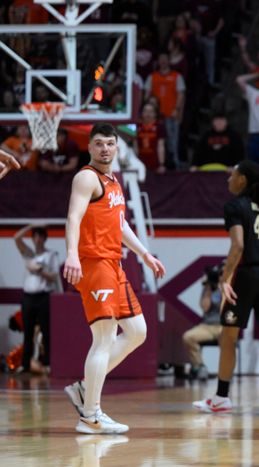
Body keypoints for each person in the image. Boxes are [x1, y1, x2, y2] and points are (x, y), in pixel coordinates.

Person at [62, 123, 166, 434]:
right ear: (90, 148)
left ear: (117, 147)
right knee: (104, 338)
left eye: (110, 143)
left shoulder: (113, 181)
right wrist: (71, 254)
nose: (105, 148)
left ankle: (84, 388)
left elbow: (119, 225)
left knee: (137, 331)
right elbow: (73, 217)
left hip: (115, 264)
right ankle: (90, 415)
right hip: (94, 263)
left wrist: (144, 253)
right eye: (99, 143)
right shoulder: (86, 178)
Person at [192, 161, 259, 413]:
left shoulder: (234, 206)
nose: (228, 180)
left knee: (228, 335)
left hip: (247, 275)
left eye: (232, 176)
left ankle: (221, 397)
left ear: (242, 181)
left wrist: (225, 279)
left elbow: (238, 245)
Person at [14, 223, 60, 374]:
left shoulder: (51, 255)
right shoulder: (29, 254)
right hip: (28, 297)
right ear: (33, 239)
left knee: (46, 331)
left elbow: (54, 276)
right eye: (35, 236)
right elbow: (16, 238)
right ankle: (25, 364)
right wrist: (31, 226)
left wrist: (39, 270)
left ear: (45, 238)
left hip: (44, 297)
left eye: (41, 236)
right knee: (27, 332)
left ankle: (48, 363)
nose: (38, 239)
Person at [182, 263, 224, 380]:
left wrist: (222, 288)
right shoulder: (208, 288)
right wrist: (209, 287)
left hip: (224, 326)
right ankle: (200, 366)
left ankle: (225, 372)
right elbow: (205, 307)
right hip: (207, 326)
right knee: (188, 337)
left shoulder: (230, 286)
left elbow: (226, 309)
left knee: (227, 340)